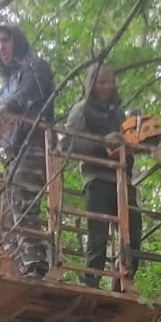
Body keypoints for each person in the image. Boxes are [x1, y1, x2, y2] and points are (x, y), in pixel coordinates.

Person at [63, 64, 142, 288]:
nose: (107, 86)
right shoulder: (82, 109)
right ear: (92, 84)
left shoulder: (119, 113)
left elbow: (134, 144)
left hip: (124, 181)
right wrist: (102, 142)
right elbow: (67, 142)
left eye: (110, 81)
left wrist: (138, 133)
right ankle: (92, 284)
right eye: (101, 82)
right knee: (98, 237)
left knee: (133, 237)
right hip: (97, 179)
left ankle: (122, 285)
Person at [0, 23, 55, 278]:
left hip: (35, 143)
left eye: (5, 41)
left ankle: (35, 263)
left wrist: (5, 108)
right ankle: (17, 264)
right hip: (13, 153)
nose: (2, 48)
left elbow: (28, 94)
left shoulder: (35, 67)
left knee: (24, 201)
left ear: (17, 40)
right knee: (7, 213)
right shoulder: (5, 87)